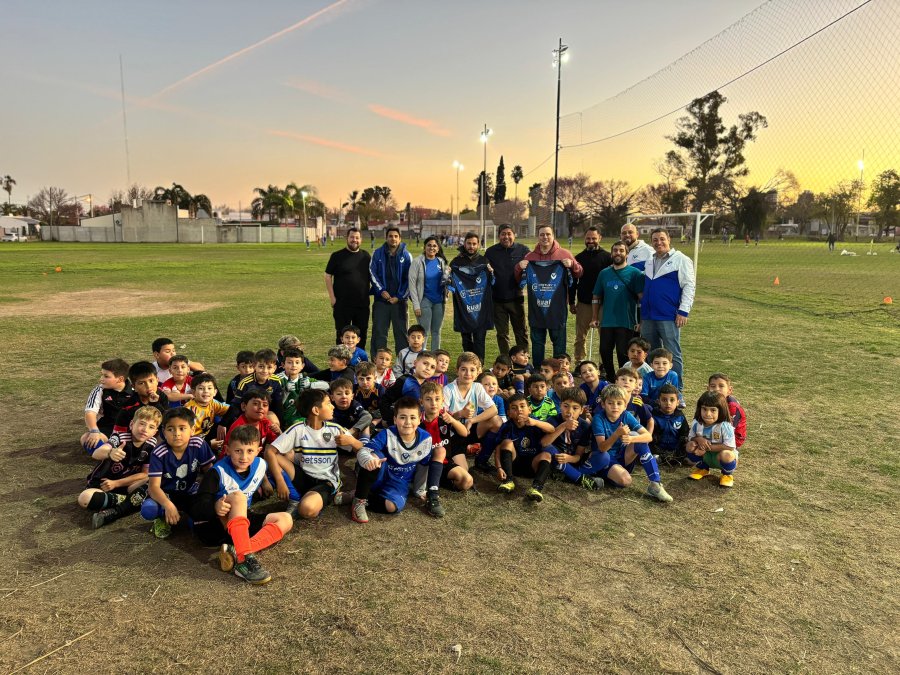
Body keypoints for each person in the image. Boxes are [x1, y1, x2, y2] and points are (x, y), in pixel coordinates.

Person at [194, 425, 292, 585]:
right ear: (227, 450)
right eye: (238, 451)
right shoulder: (217, 472)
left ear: (259, 450)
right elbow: (197, 509)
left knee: (286, 518)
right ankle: (243, 561)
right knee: (238, 497)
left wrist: (267, 483)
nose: (244, 457)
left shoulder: (261, 465)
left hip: (239, 522)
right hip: (211, 526)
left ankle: (240, 551)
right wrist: (215, 506)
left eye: (250, 451)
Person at [266, 389, 362, 520]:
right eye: (328, 403)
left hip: (325, 481)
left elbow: (362, 450)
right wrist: (280, 481)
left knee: (306, 510)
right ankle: (298, 498)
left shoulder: (335, 429)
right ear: (316, 410)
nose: (333, 406)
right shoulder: (298, 429)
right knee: (275, 457)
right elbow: (269, 451)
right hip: (303, 476)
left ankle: (331, 496)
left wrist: (352, 441)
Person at [350, 396, 437, 523]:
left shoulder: (425, 439)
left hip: (399, 481)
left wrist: (419, 490)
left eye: (412, 417)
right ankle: (359, 501)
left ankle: (356, 494)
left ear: (419, 419)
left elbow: (424, 466)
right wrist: (368, 459)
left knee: (392, 507)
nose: (407, 422)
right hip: (379, 473)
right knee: (374, 456)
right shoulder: (387, 433)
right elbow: (364, 450)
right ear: (395, 419)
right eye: (402, 417)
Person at [582, 384, 673, 503]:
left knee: (640, 441)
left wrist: (631, 440)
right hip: (606, 458)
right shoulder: (599, 418)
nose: (615, 407)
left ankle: (655, 484)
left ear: (625, 405)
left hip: (622, 456)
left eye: (619, 403)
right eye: (610, 403)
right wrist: (617, 434)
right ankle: (600, 474)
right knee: (625, 481)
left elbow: (648, 436)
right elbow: (602, 448)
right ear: (603, 404)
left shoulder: (626, 415)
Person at [77, 405, 161, 529]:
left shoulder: (152, 444)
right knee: (84, 498)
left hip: (126, 485)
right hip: (104, 486)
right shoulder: (119, 437)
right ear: (132, 424)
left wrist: (117, 483)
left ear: (155, 432)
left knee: (155, 478)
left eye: (151, 427)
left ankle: (121, 507)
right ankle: (132, 501)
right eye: (142, 424)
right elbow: (96, 453)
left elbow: (145, 473)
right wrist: (110, 453)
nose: (145, 429)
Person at [142, 407, 216, 539]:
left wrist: (208, 497)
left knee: (205, 512)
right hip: (167, 494)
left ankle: (191, 516)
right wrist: (168, 505)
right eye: (171, 429)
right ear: (163, 432)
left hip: (190, 492)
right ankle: (161, 518)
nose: (176, 433)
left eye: (182, 428)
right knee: (149, 508)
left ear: (192, 430)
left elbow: (210, 473)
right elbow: (153, 487)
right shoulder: (159, 453)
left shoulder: (198, 444)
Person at [515, 225, 583, 365]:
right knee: (538, 343)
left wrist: (572, 264)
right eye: (542, 235)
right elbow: (519, 280)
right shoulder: (530, 257)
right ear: (538, 236)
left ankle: (558, 371)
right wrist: (519, 267)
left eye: (548, 234)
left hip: (557, 310)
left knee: (559, 344)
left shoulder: (564, 254)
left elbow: (579, 273)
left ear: (553, 236)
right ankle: (539, 371)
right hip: (537, 310)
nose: (545, 237)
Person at [640, 229, 695, 386]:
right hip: (648, 315)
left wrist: (684, 311)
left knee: (672, 354)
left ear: (669, 239)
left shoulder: (681, 259)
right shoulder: (650, 260)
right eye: (655, 240)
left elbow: (689, 286)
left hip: (668, 314)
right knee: (651, 353)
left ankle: (676, 389)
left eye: (662, 239)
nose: (659, 242)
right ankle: (655, 387)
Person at [590, 241, 644, 381]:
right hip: (607, 321)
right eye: (615, 250)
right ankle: (611, 377)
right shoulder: (604, 273)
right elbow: (596, 296)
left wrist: (641, 321)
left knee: (623, 353)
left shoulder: (635, 273)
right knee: (605, 351)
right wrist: (595, 317)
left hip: (626, 321)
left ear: (627, 253)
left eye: (621, 250)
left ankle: (624, 379)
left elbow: (642, 299)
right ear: (612, 253)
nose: (618, 253)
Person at [494, 393, 557, 502]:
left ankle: (536, 488)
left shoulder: (534, 422)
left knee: (546, 455)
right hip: (514, 465)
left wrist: (536, 422)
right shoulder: (507, 427)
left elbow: (552, 429)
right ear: (509, 413)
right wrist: (499, 468)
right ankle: (508, 481)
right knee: (507, 443)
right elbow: (498, 449)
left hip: (533, 465)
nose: (519, 410)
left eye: (522, 406)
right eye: (514, 408)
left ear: (530, 409)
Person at [484, 224, 530, 354]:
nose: (506, 237)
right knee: (502, 334)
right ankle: (506, 361)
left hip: (516, 298)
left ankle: (523, 360)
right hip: (497, 300)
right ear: (499, 236)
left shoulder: (523, 250)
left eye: (509, 233)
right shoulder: (491, 252)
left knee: (521, 332)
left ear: (514, 235)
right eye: (503, 234)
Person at [449, 231, 493, 364]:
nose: (471, 246)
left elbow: (492, 282)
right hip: (464, 307)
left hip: (480, 308)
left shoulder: (484, 261)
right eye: (469, 243)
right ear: (464, 243)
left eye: (474, 244)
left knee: (480, 338)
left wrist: (491, 273)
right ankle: (467, 364)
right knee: (466, 338)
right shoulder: (456, 262)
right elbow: (449, 283)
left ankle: (479, 365)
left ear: (478, 245)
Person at [570, 227, 612, 362]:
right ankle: (579, 361)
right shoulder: (578, 258)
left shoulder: (607, 258)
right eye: (588, 238)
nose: (591, 241)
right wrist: (571, 301)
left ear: (599, 238)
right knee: (580, 336)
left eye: (594, 238)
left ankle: (603, 364)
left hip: (603, 303)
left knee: (604, 336)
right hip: (584, 302)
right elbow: (573, 282)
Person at [325, 228, 372, 349]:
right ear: (347, 238)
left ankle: (359, 362)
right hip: (342, 304)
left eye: (357, 238)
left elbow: (373, 277)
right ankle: (341, 362)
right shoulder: (337, 256)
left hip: (362, 304)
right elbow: (327, 276)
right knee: (342, 334)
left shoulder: (366, 256)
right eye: (352, 237)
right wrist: (332, 298)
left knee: (361, 334)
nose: (354, 240)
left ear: (361, 239)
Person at [369, 226, 413, 353]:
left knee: (401, 333)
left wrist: (399, 297)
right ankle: (378, 362)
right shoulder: (377, 253)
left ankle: (403, 364)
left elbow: (409, 278)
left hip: (399, 302)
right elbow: (372, 273)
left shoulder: (406, 255)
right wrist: (381, 290)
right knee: (379, 332)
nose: (393, 239)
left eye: (395, 236)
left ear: (400, 239)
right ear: (386, 238)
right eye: (390, 236)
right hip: (381, 300)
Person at [81, 358, 134, 453]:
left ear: (120, 379)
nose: (101, 379)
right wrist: (94, 431)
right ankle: (110, 455)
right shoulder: (99, 390)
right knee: (86, 438)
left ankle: (110, 452)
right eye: (102, 375)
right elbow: (90, 413)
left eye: (106, 376)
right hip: (108, 428)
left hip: (130, 429)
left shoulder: (135, 390)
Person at [686, 391, 738, 488]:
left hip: (719, 456)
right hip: (705, 455)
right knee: (690, 445)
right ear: (699, 408)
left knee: (727, 455)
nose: (707, 414)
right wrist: (698, 439)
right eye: (704, 409)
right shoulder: (696, 423)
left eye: (713, 410)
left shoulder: (725, 426)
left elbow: (730, 446)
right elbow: (690, 437)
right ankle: (703, 468)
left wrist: (705, 448)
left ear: (721, 410)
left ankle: (727, 474)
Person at [408, 235, 450, 350]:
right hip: (424, 300)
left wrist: (448, 281)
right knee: (424, 332)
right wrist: (416, 305)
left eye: (434, 246)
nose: (432, 248)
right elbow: (411, 285)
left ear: (438, 248)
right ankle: (423, 357)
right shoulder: (417, 262)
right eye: (429, 245)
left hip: (439, 302)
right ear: (424, 247)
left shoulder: (441, 262)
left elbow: (445, 280)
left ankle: (435, 358)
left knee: (436, 331)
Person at [184, 373, 230, 450]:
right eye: (201, 388)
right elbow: (185, 436)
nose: (206, 391)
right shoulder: (189, 410)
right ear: (193, 392)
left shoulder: (213, 402)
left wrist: (223, 424)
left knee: (233, 419)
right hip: (193, 442)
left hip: (206, 435)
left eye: (209, 388)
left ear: (215, 392)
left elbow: (233, 409)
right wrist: (209, 444)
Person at [650, 384, 689, 464]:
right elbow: (650, 436)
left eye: (672, 400)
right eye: (664, 400)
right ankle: (660, 458)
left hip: (676, 449)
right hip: (658, 449)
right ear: (658, 401)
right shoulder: (653, 416)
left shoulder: (680, 416)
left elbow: (685, 433)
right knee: (652, 457)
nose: (668, 403)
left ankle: (677, 458)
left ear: (678, 402)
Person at [707, 373, 747, 449]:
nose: (716, 389)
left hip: (732, 438)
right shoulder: (706, 401)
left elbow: (729, 430)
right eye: (713, 386)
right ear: (708, 389)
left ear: (729, 390)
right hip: (715, 432)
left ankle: (732, 455)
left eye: (721, 386)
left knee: (724, 455)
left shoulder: (732, 406)